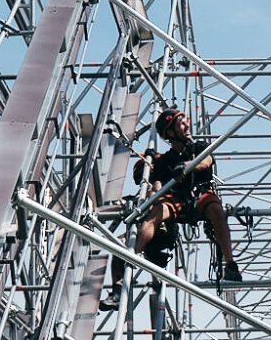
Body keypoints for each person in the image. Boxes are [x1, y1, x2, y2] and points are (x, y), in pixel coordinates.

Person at [103, 107, 241, 309]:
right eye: (180, 123)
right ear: (169, 132)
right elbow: (157, 186)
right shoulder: (165, 161)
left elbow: (206, 161)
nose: (186, 125)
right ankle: (129, 261)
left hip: (200, 195)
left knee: (216, 211)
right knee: (155, 214)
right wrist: (150, 174)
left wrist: (188, 166)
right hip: (177, 200)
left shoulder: (199, 148)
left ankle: (230, 264)